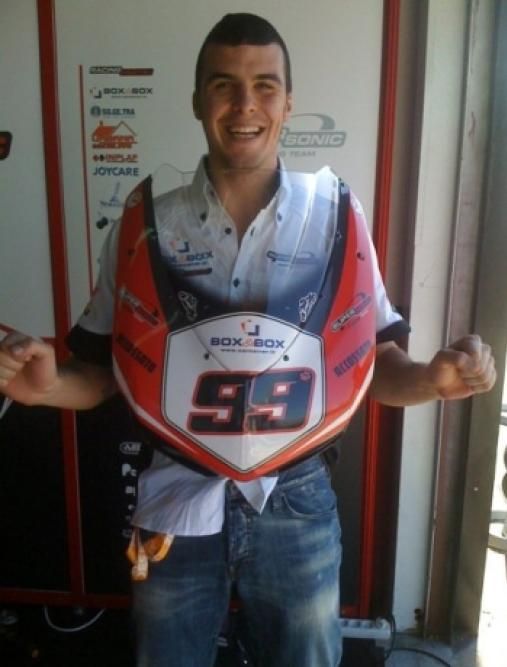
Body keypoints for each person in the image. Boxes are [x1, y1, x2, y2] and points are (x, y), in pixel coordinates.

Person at [0, 13, 496, 667]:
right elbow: (100, 371)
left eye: (265, 85)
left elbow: (374, 365)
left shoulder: (336, 216)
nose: (244, 104)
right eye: (224, 85)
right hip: (176, 493)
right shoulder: (145, 224)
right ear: (197, 100)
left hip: (297, 496)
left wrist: (434, 380)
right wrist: (44, 387)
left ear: (288, 103)